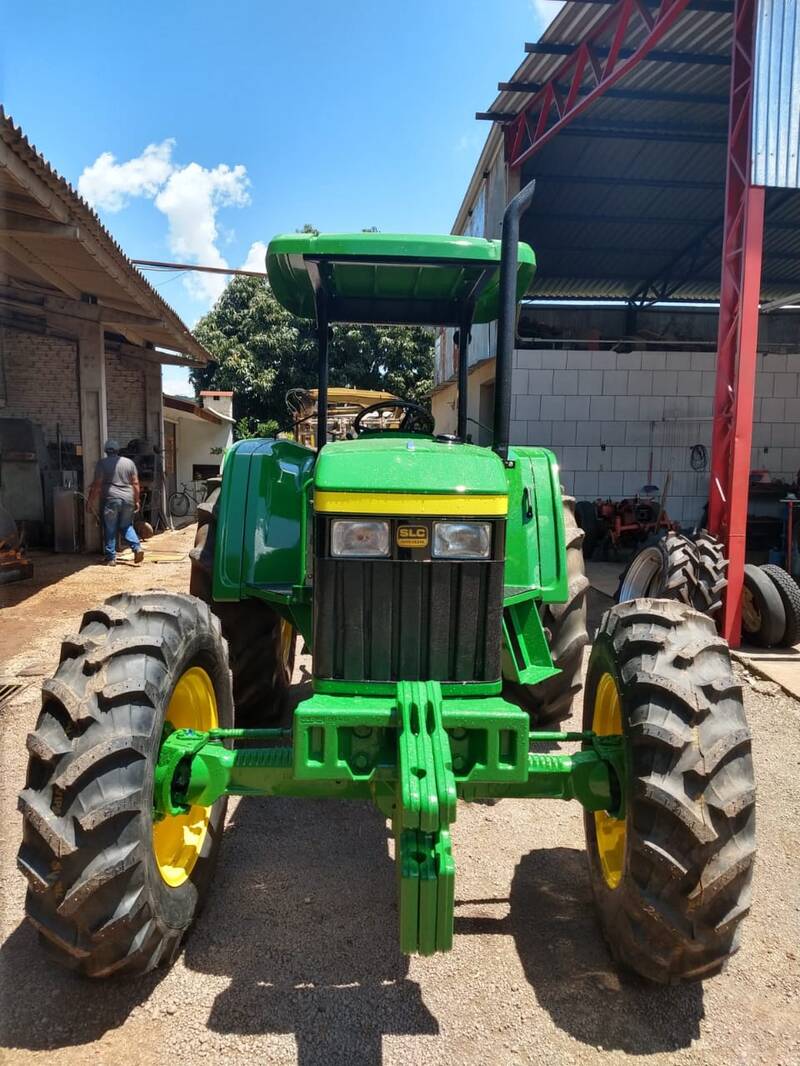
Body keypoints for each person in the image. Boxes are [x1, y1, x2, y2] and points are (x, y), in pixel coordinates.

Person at [87, 440, 144, 566]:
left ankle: (111, 558)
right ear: (118, 450)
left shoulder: (102, 463)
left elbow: (97, 484)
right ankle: (137, 547)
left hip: (111, 499)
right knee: (126, 525)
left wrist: (90, 501)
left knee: (110, 527)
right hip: (128, 498)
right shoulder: (129, 463)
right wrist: (137, 500)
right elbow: (135, 483)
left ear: (106, 451)